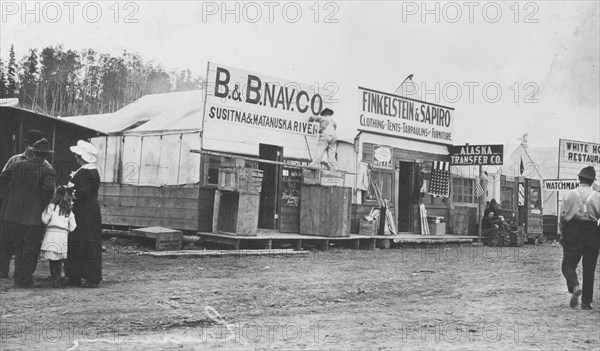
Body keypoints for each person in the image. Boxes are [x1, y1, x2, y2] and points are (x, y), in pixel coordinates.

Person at [0, 139, 56, 287]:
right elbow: (49, 191)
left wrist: (8, 198)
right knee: (29, 249)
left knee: (17, 246)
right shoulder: (48, 170)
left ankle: (18, 277)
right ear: (46, 155)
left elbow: (2, 180)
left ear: (33, 152)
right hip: (32, 217)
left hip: (11, 214)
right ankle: (23, 279)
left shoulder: (16, 165)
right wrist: (40, 205)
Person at [560, 165, 600, 310]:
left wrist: (562, 233)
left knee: (568, 264)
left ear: (579, 179)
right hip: (592, 231)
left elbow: (562, 217)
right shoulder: (598, 196)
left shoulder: (569, 195)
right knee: (589, 268)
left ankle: (574, 285)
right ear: (592, 181)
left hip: (573, 230)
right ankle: (586, 302)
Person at [65, 140, 102, 288]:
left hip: (84, 211)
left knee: (84, 241)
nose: (75, 158)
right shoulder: (90, 170)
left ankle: (86, 275)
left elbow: (84, 192)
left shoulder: (86, 171)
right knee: (87, 241)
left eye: (76, 156)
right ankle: (85, 275)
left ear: (81, 157)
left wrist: (70, 192)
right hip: (89, 210)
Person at [41, 186, 77, 288]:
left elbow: (44, 220)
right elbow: (73, 226)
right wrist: (67, 230)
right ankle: (62, 276)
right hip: (62, 237)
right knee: (60, 259)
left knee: (52, 260)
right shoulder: (69, 210)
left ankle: (54, 278)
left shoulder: (51, 207)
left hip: (51, 236)